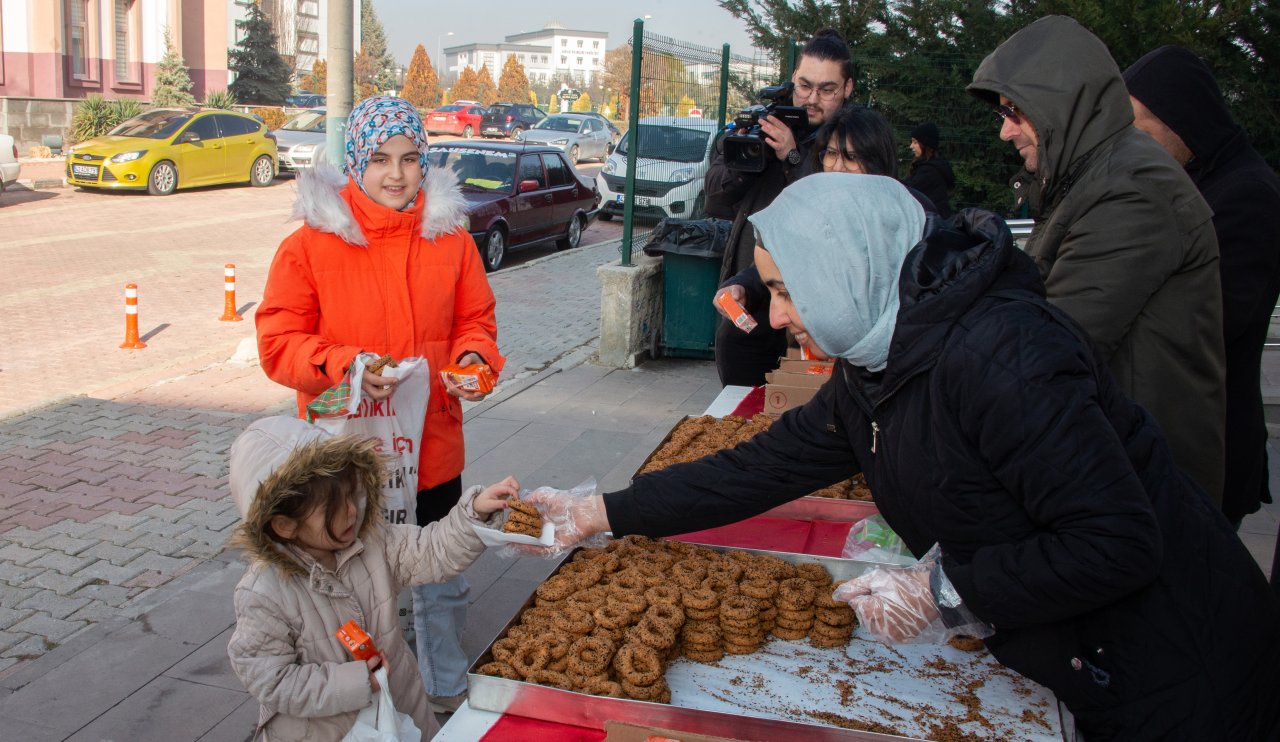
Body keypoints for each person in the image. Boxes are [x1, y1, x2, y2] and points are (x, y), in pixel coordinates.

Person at [533, 174, 1280, 740]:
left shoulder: (1002, 354)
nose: (779, 316)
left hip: (1177, 665)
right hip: (1086, 653)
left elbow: (1117, 542)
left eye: (789, 290)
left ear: (846, 270)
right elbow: (759, 466)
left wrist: (944, 592)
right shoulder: (877, 361)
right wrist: (603, 511)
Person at [256, 95, 503, 714]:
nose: (397, 174)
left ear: (427, 162)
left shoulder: (451, 242)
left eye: (411, 158)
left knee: (442, 571)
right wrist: (346, 368)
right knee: (357, 580)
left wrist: (472, 366)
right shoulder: (311, 246)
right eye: (381, 159)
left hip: (432, 450)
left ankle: (445, 688)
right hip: (344, 456)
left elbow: (477, 323)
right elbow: (278, 342)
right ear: (356, 163)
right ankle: (369, 695)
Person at [967, 16, 1227, 506]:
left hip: (1144, 489)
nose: (1004, 132)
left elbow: (1053, 341)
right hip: (1116, 469)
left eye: (1014, 112)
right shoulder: (1087, 179)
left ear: (1059, 105)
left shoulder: (1131, 187)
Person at [225, 416, 518, 740]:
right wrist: (356, 682)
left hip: (401, 706)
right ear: (284, 525)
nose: (352, 511)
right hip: (325, 730)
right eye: (333, 507)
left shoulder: (374, 543)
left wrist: (474, 514)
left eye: (352, 495)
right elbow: (272, 680)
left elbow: (432, 550)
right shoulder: (264, 594)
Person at [1123, 46, 1280, 528]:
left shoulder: (1248, 193)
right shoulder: (1198, 179)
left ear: (1181, 118)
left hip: (1211, 439)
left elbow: (1211, 318)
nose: (1132, 139)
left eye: (1139, 124)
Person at [705, 29, 853, 387]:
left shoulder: (852, 135)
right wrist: (748, 157)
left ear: (847, 89)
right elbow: (715, 194)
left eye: (826, 89)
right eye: (804, 86)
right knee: (739, 409)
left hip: (811, 319)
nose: (812, 99)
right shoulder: (769, 117)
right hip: (749, 299)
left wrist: (792, 155)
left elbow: (827, 205)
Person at [901, 122, 953, 216]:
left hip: (933, 222)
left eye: (915, 142)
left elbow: (907, 189)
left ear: (925, 144)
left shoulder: (930, 171)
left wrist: (889, 179)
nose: (911, 146)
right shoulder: (930, 166)